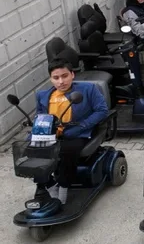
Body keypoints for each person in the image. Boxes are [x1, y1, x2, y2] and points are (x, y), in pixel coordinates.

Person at [34, 60, 109, 204]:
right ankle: (49, 184)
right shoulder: (43, 95)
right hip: (52, 133)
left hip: (79, 132)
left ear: (72, 75)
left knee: (65, 151)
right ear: (51, 79)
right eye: (56, 78)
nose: (61, 81)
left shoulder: (88, 89)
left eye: (65, 76)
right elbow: (40, 116)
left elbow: (102, 110)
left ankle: (64, 185)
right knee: (31, 151)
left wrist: (82, 126)